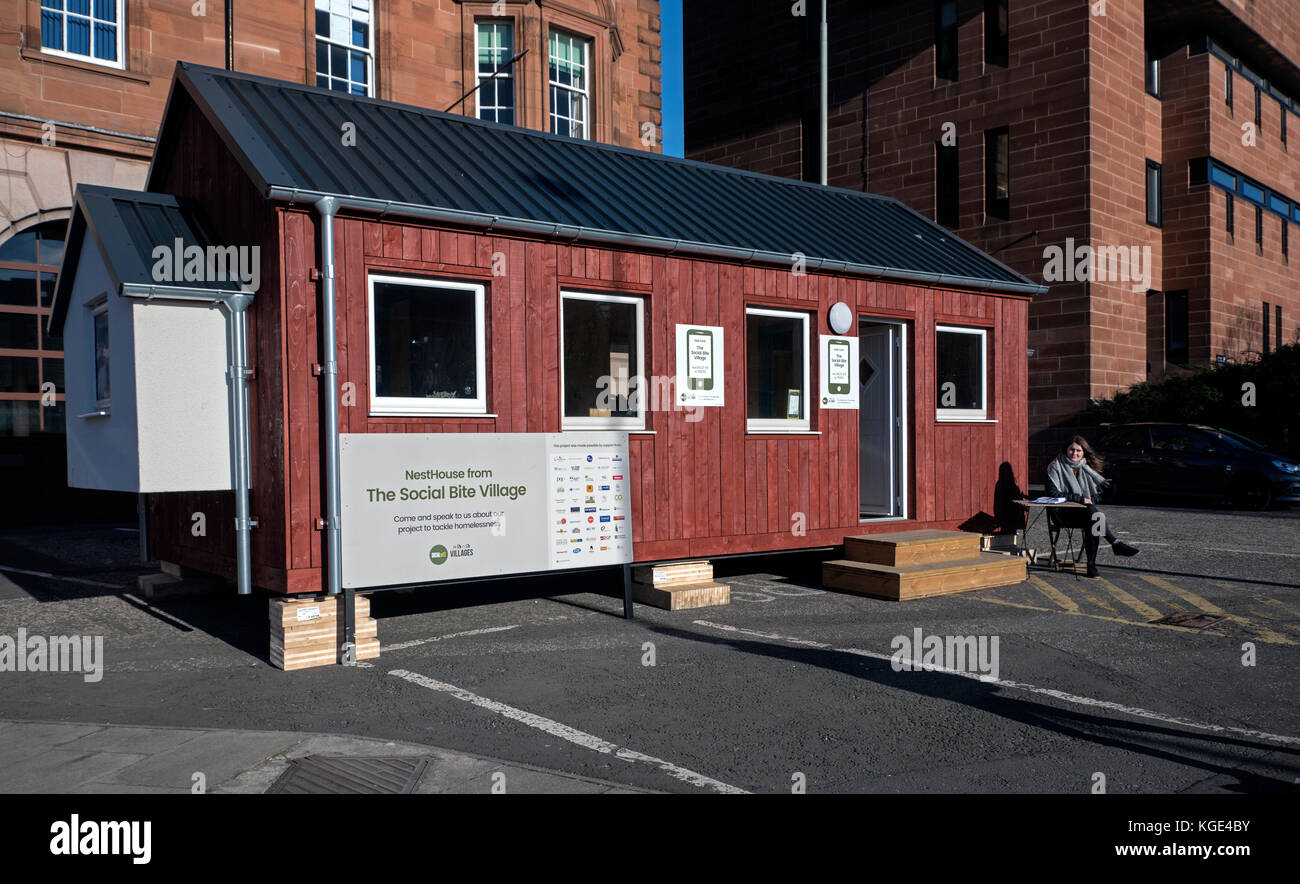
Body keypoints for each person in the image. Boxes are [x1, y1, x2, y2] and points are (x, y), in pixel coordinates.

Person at [1045, 436, 1139, 577]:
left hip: (1083, 514)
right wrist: (1080, 499)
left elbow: (1094, 497)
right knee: (1093, 515)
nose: (1074, 453)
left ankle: (1091, 566)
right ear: (1066, 450)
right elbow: (1054, 493)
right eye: (1072, 450)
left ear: (1084, 452)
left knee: (1093, 520)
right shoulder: (1055, 466)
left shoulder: (1085, 468)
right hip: (1062, 513)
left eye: (1078, 450)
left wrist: (1090, 498)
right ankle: (1114, 544)